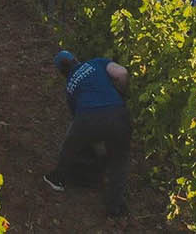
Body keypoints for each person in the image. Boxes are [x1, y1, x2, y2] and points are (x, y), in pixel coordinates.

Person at [43, 50, 132, 219]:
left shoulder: (70, 86)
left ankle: (57, 178)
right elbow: (122, 73)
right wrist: (121, 93)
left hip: (87, 118)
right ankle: (115, 207)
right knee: (120, 159)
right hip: (118, 113)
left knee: (71, 145)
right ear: (76, 59)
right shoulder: (96, 63)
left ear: (62, 72)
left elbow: (78, 120)